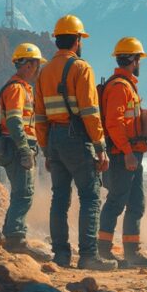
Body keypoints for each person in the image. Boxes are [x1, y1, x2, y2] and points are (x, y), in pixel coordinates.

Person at [34, 15, 116, 271]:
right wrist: (100, 146)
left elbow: (39, 116)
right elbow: (90, 111)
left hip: (55, 140)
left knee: (59, 198)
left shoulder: (44, 71)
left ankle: (60, 255)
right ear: (77, 40)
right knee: (90, 196)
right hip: (76, 138)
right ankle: (89, 256)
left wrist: (46, 149)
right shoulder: (81, 68)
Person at [97, 37, 147, 267]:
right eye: (139, 58)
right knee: (116, 201)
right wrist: (128, 152)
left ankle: (132, 253)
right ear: (132, 60)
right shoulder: (120, 87)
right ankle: (104, 250)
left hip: (131, 152)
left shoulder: (127, 85)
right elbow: (114, 123)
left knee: (136, 203)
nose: (140, 63)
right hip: (124, 154)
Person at [0, 43, 51, 262]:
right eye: (36, 64)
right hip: (17, 146)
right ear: (28, 65)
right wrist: (24, 149)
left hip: (16, 145)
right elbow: (14, 120)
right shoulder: (17, 88)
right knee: (24, 193)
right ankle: (16, 240)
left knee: (20, 192)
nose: (38, 69)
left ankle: (10, 235)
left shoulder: (20, 87)